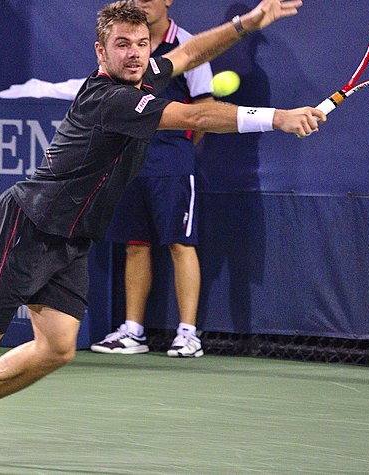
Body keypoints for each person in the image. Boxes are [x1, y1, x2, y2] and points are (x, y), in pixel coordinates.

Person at [0, 0, 323, 464]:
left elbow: (190, 52)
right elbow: (193, 115)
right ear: (101, 52)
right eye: (122, 45)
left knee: (57, 347)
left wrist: (248, 23)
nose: (135, 53)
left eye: (141, 44)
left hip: (71, 237)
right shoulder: (111, 99)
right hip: (30, 225)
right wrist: (277, 117)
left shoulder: (144, 74)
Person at [91, 0, 213, 358]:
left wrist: (176, 147)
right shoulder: (119, 48)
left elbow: (203, 111)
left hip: (173, 164)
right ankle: (133, 331)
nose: (141, 2)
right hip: (130, 163)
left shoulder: (189, 46)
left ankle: (188, 334)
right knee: (135, 245)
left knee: (180, 244)